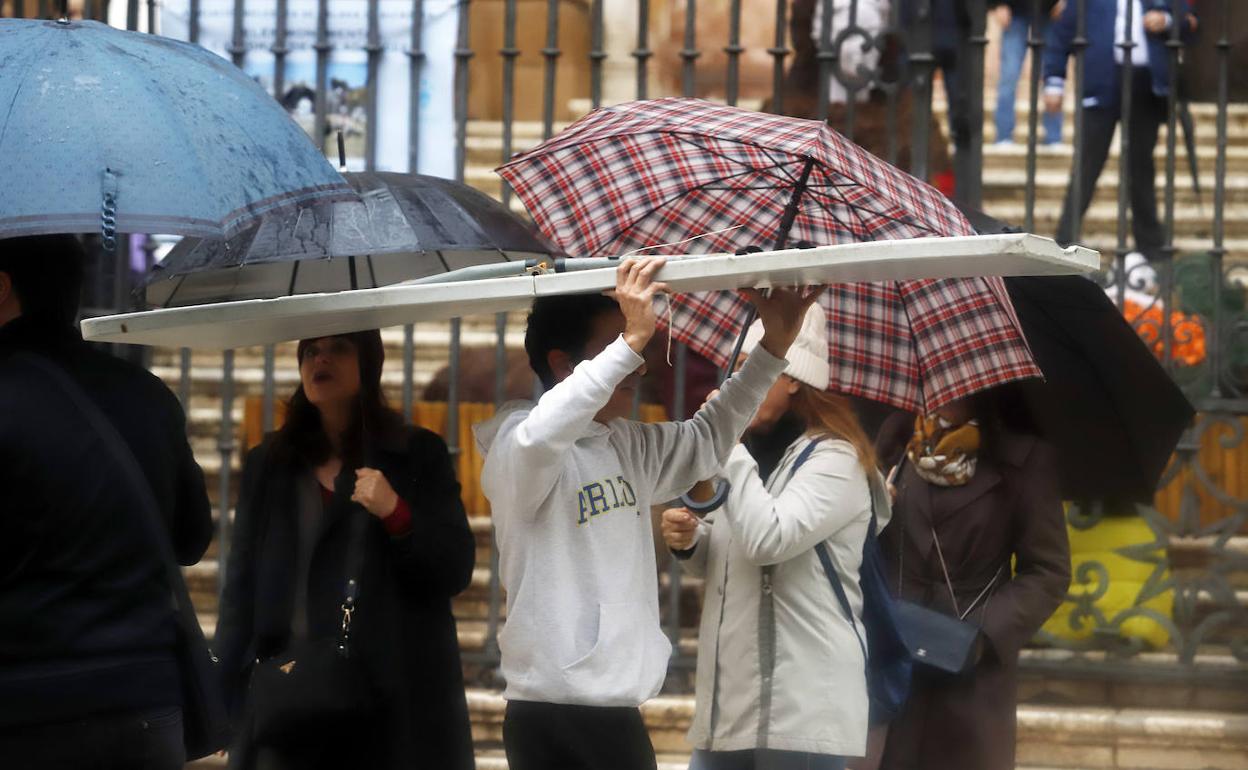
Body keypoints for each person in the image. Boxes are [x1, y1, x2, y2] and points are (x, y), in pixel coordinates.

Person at [473, 258, 821, 770]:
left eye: (635, 348)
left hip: (617, 712)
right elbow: (540, 437)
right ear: (565, 365)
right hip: (551, 713)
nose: (637, 366)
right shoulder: (517, 442)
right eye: (621, 348)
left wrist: (773, 346)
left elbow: (706, 440)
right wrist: (631, 339)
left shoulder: (626, 443)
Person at [214, 329, 476, 770]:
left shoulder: (416, 455)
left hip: (392, 698)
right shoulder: (271, 463)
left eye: (339, 348)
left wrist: (396, 513)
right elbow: (241, 583)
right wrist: (222, 690)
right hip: (291, 693)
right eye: (311, 350)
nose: (321, 360)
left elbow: (454, 568)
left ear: (369, 363)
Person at [0, 234, 214, 770]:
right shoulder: (147, 395)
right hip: (143, 703)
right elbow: (191, 539)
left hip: (25, 708)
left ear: (2, 288)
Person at [660, 305, 887, 770]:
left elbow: (770, 540)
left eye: (751, 371)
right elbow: (736, 554)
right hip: (732, 703)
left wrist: (729, 442)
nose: (734, 387)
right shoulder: (757, 456)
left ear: (794, 379)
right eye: (737, 370)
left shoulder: (835, 461)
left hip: (800, 708)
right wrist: (693, 542)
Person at [872, 389, 1071, 770]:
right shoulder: (896, 445)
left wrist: (982, 635)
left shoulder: (1025, 460)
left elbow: (1049, 571)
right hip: (895, 664)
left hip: (972, 676)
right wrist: (875, 506)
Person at [1045, 0, 1198, 261]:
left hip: (1146, 85)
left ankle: (1150, 247)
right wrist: (1054, 82)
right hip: (1101, 82)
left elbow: (1188, 22)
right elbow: (1061, 35)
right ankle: (1065, 240)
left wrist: (1166, 20)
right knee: (1088, 163)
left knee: (1141, 166)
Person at [992, 0, 1064, 145]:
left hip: (1050, 9)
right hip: (1015, 10)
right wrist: (998, 3)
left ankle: (1054, 136)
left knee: (1052, 72)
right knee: (1009, 74)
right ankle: (1004, 136)